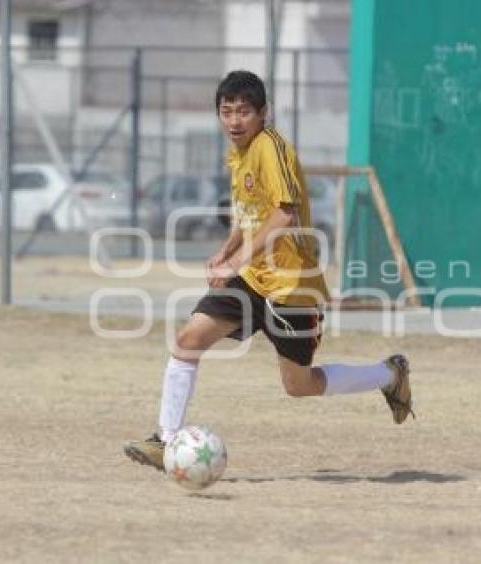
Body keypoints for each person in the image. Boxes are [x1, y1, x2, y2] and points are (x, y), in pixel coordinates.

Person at [125, 70, 413, 471]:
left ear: (263, 113)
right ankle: (167, 440)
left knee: (299, 385)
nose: (234, 121)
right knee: (188, 340)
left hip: (292, 286)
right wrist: (226, 249)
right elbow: (248, 215)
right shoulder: (237, 154)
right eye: (226, 112)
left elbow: (284, 212)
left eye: (244, 111)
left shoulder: (270, 147)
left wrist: (236, 261)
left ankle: (388, 374)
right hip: (253, 278)